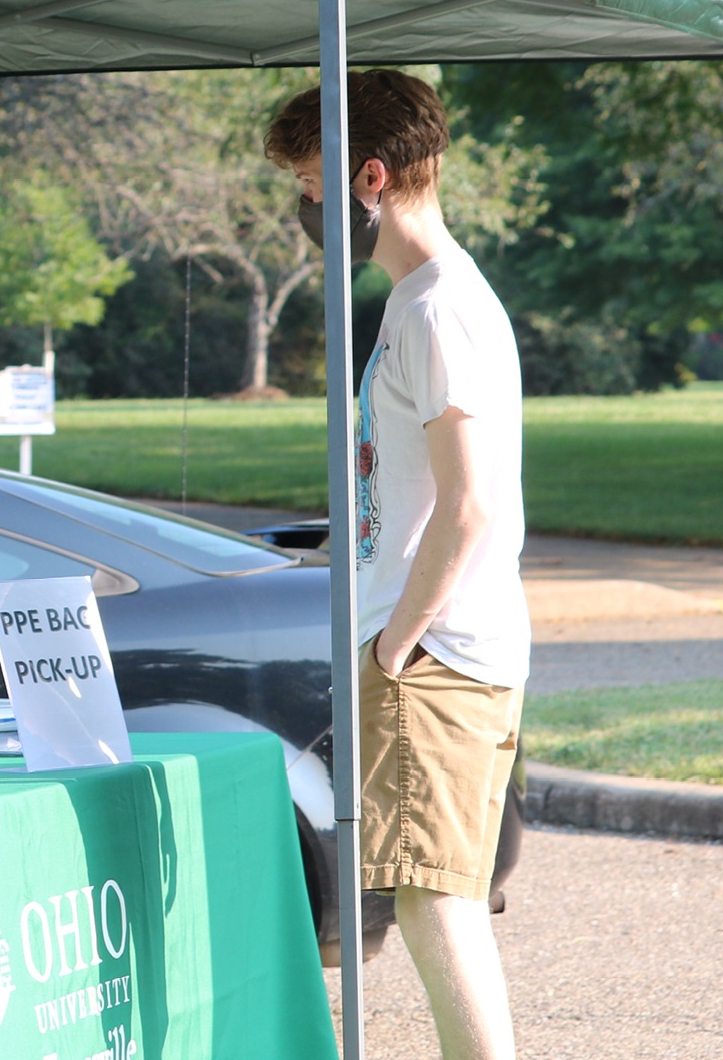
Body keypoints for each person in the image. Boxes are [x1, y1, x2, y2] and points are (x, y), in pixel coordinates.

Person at [266, 71, 528, 1060]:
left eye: (311, 183)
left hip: (437, 659)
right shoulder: (424, 303)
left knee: (434, 910)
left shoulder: (437, 310)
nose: (306, 207)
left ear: (369, 177)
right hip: (437, 650)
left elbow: (469, 512)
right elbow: (419, 494)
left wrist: (392, 648)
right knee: (437, 904)